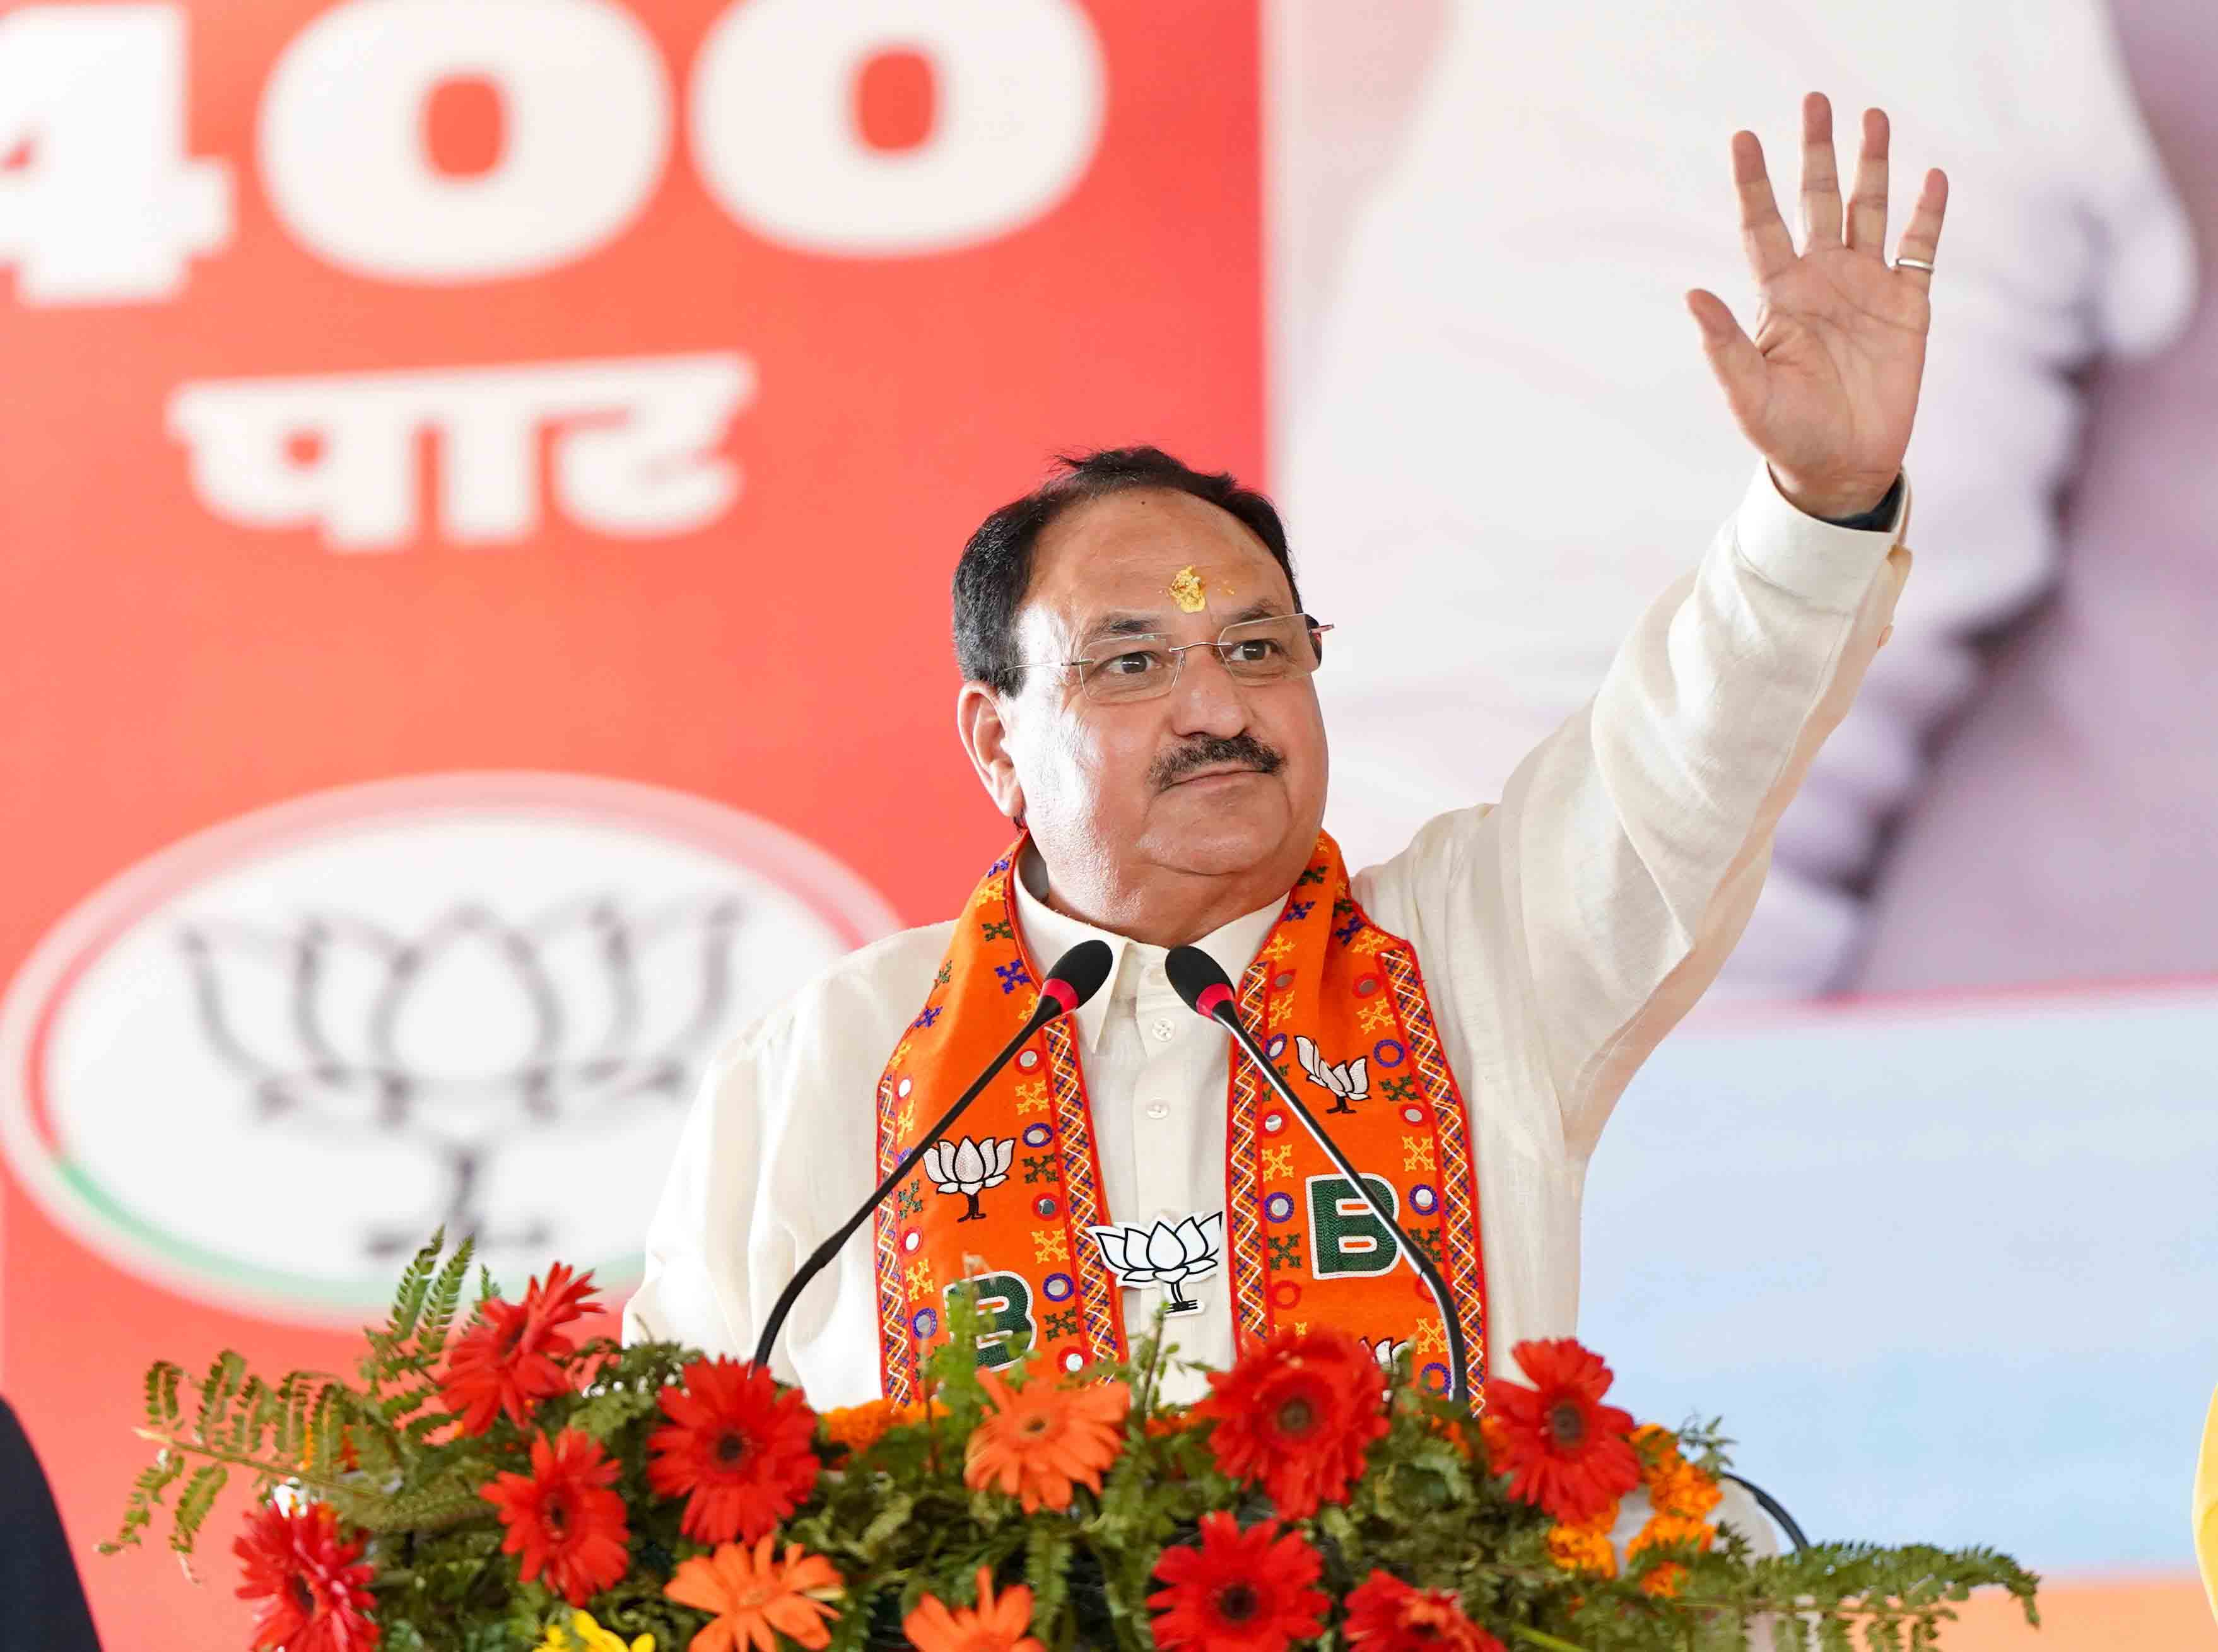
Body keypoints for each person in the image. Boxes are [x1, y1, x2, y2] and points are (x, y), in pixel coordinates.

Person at [626, 97, 1939, 1404]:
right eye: (1134, 663)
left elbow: (1694, 746)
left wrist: (1820, 510)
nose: (1218, 709)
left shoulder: (1479, 956)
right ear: (998, 740)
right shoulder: (836, 1057)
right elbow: (674, 1473)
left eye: (1259, 649)